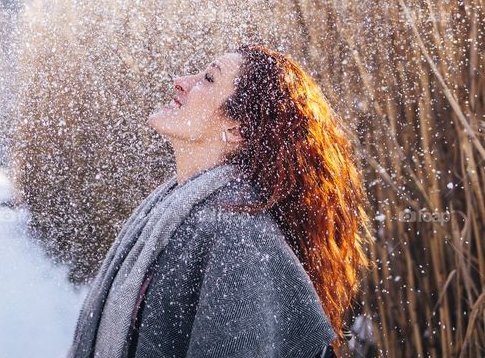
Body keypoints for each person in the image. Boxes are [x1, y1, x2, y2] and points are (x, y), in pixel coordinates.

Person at [67, 44, 372, 358]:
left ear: (237, 129)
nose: (181, 81)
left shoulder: (238, 232)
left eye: (209, 78)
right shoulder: (176, 208)